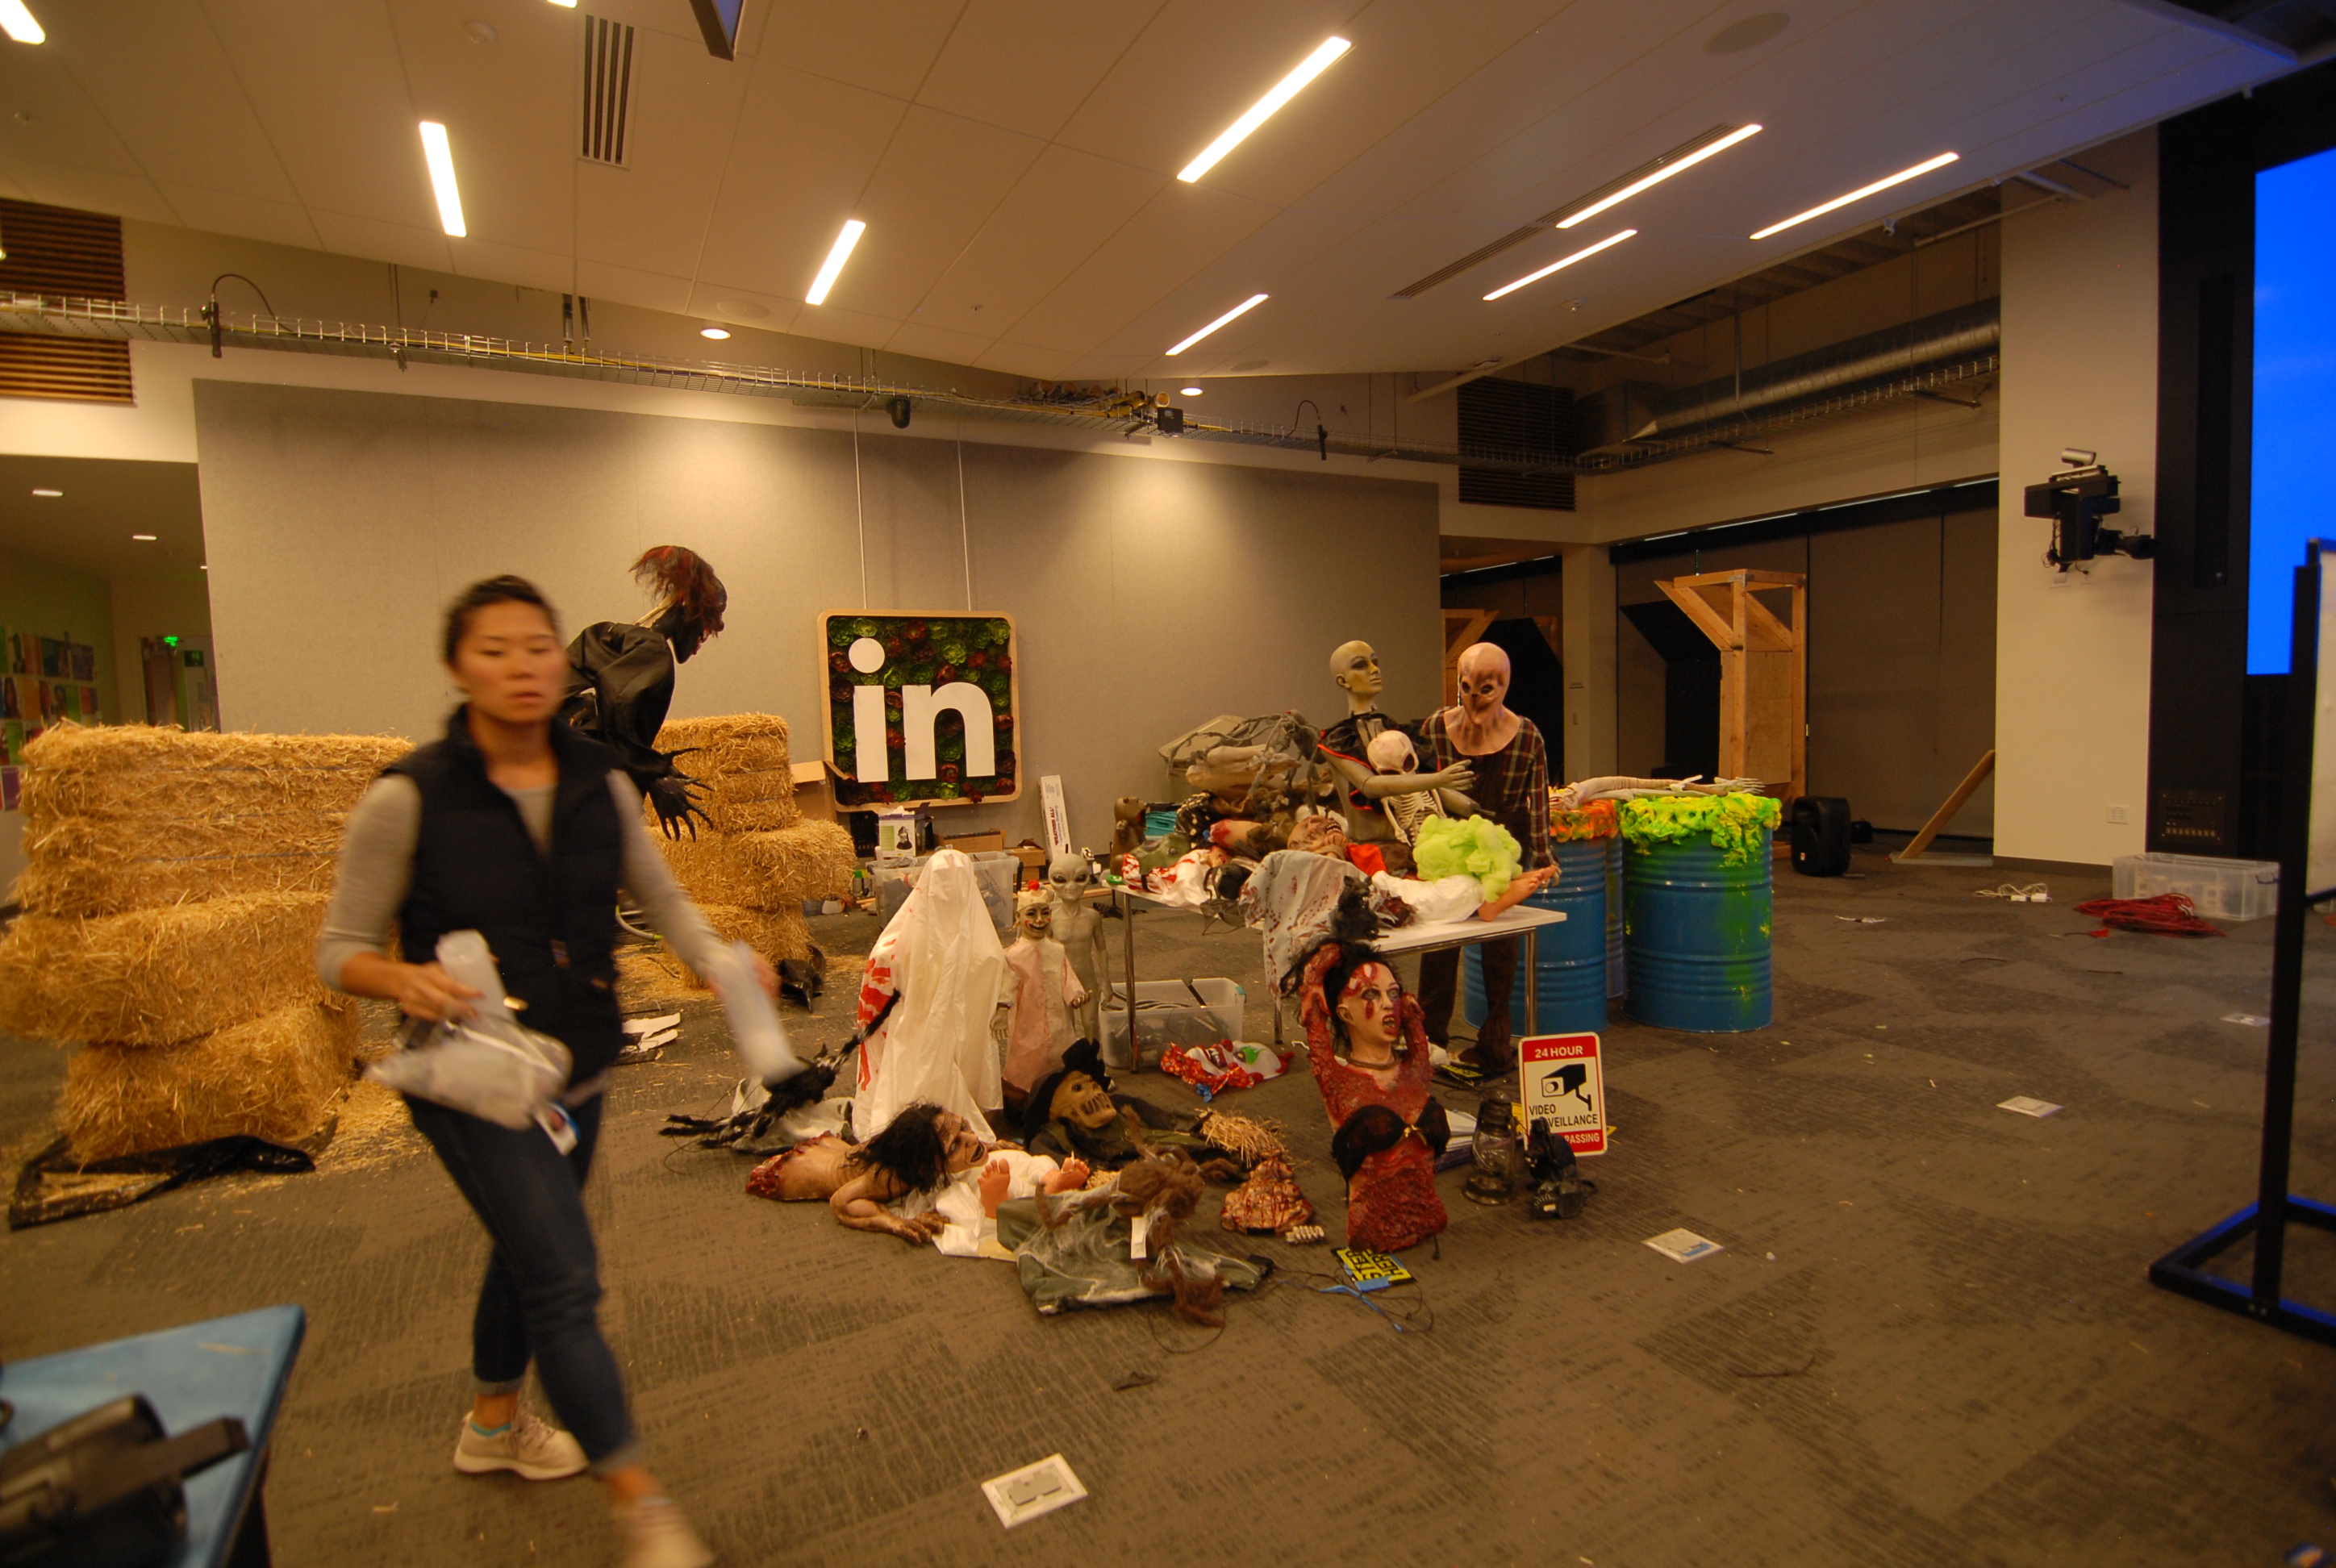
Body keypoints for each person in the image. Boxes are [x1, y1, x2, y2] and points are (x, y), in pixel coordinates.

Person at [319, 574, 771, 1568]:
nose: (520, 667)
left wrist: (720, 959)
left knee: (526, 1249)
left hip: (577, 1063)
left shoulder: (597, 782)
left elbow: (661, 897)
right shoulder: (409, 796)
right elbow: (338, 951)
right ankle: (644, 1509)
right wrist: (404, 979)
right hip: (469, 1073)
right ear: (458, 667)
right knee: (565, 1276)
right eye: (494, 650)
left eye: (535, 647)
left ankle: (491, 1424)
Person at [1415, 642, 1553, 1075]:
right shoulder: (1436, 729)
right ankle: (1428, 1043)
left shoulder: (1526, 737)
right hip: (1450, 844)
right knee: (1438, 944)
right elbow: (1419, 789)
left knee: (1501, 950)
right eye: (1466, 687)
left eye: (1487, 688)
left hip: (1503, 849)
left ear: (1505, 685)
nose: (1474, 700)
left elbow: (1538, 801)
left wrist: (1542, 856)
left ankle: (1494, 1046)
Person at [561, 545, 728, 838]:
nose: (718, 627)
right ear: (689, 608)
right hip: (582, 801)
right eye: (713, 615)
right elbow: (615, 706)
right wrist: (655, 774)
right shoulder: (652, 650)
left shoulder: (610, 637)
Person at [1299, 942, 1450, 1253]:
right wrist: (1326, 966)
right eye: (1371, 995)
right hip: (1372, 1232)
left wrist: (1412, 1020)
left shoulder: (1416, 1070)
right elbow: (1313, 1005)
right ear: (1345, 1013)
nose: (1387, 1005)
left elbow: (1417, 1035)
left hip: (1427, 1219)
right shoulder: (1337, 1081)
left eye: (1393, 994)